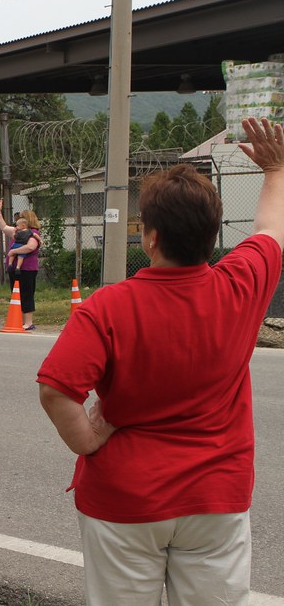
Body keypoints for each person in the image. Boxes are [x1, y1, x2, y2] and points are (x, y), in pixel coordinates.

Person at [36, 116, 284, 605]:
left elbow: (56, 388)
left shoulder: (108, 306)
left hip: (125, 499)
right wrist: (275, 171)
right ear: (213, 237)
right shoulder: (241, 286)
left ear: (149, 238)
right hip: (216, 496)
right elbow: (272, 229)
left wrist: (86, 439)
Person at [0, 201, 42, 330]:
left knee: (27, 293)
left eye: (21, 217)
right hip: (14, 269)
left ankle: (28, 321)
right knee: (16, 294)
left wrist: (14, 251)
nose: (18, 219)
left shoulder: (33, 233)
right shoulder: (17, 231)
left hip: (27, 269)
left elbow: (30, 247)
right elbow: (4, 227)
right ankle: (19, 319)